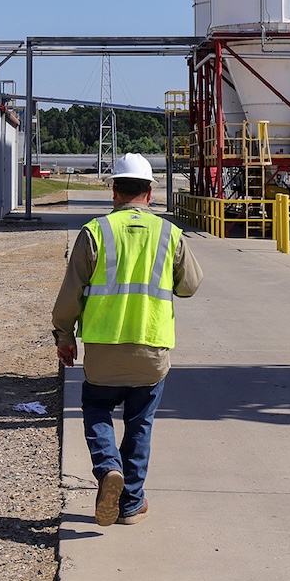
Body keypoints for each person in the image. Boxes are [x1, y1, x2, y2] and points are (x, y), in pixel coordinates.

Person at [51, 152, 202, 527]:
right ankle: (131, 503)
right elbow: (190, 286)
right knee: (140, 423)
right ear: (150, 192)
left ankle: (107, 469)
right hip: (151, 349)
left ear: (114, 190)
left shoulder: (95, 232)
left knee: (97, 410)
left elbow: (70, 295)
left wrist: (64, 337)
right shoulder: (169, 234)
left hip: (103, 350)